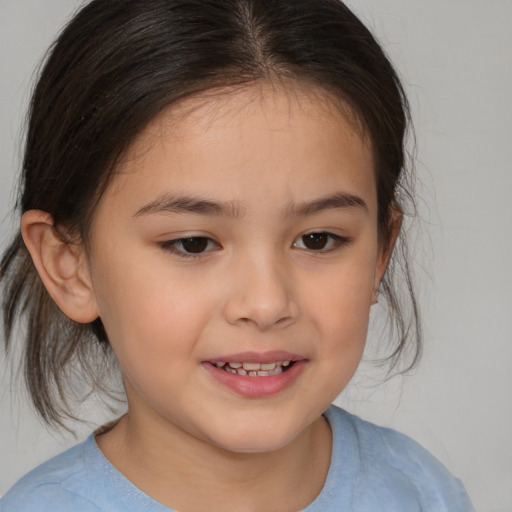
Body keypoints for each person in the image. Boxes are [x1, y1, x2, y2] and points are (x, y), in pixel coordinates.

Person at [0, 0, 475, 510]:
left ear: (380, 251)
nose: (267, 303)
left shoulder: (424, 492)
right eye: (193, 243)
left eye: (318, 239)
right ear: (69, 265)